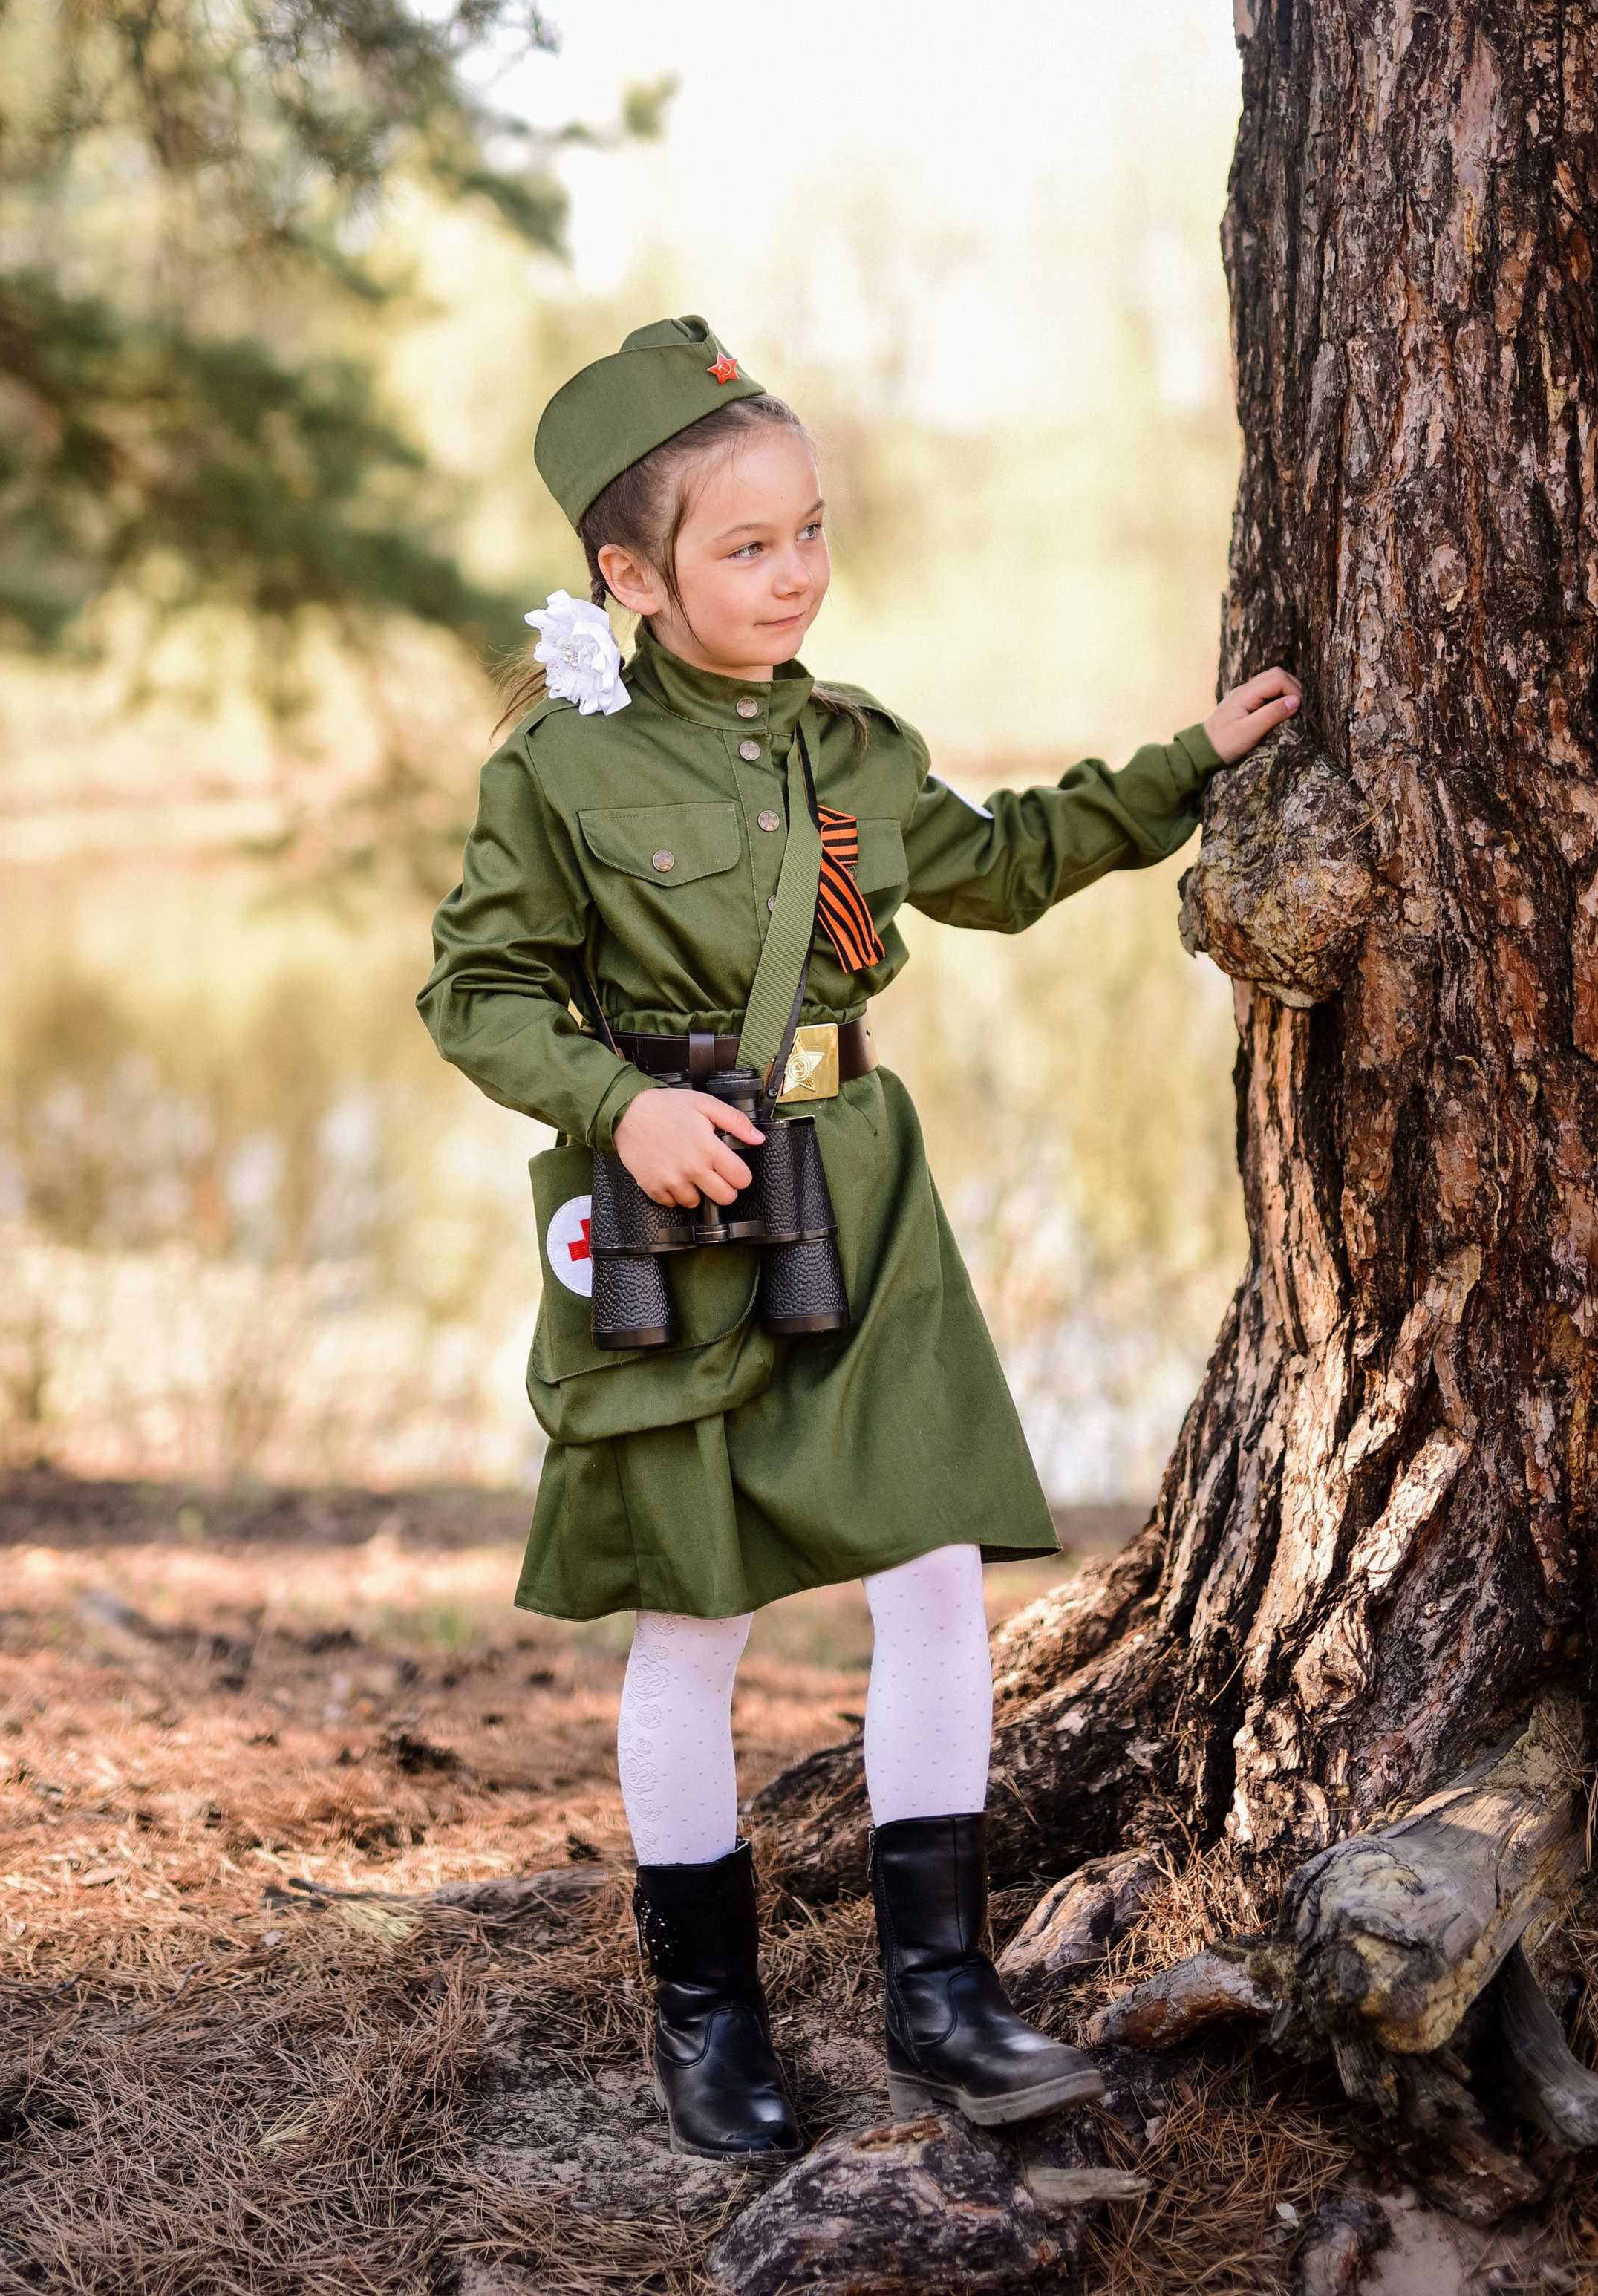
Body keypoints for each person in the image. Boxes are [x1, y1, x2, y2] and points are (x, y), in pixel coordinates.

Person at [419, 316, 1299, 2162]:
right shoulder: (559, 779)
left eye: (809, 528)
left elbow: (993, 858)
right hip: (676, 1222)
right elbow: (476, 990)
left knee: (927, 1581)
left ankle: (943, 1995)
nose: (795, 572)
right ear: (628, 575)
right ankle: (706, 2014)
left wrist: (1184, 767)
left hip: (862, 1198)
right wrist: (616, 1107)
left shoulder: (847, 743)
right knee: (697, 1619)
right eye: (745, 547)